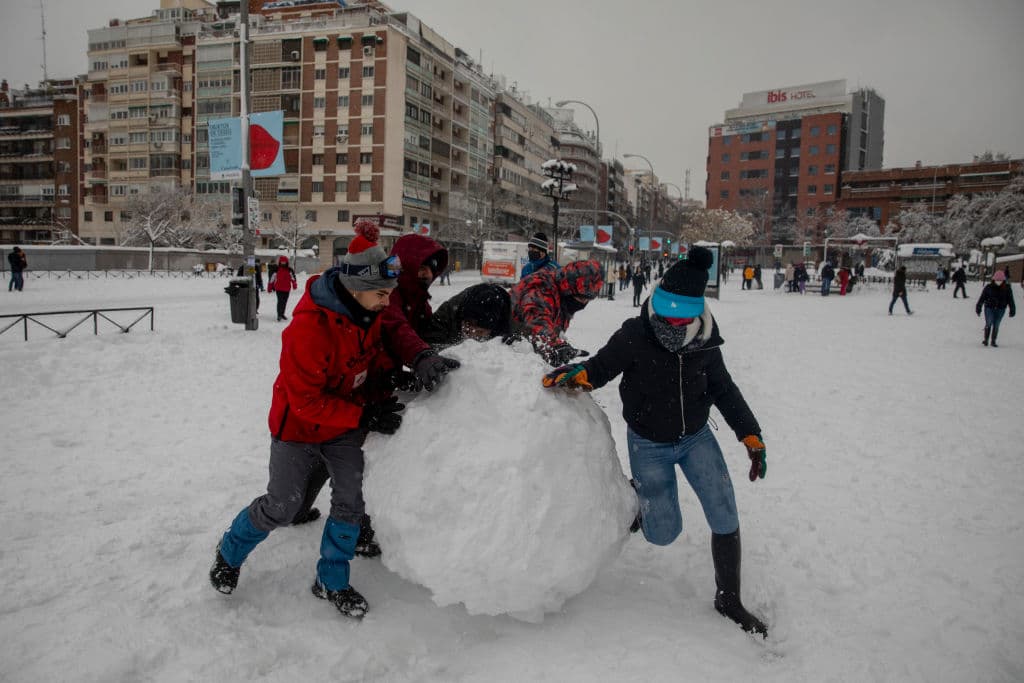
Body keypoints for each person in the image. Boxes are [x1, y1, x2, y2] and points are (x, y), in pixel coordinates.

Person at [541, 247, 768, 638]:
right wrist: (577, 375)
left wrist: (751, 434)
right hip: (648, 444)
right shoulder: (635, 333)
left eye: (680, 314)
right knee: (663, 533)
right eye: (665, 310)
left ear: (696, 312)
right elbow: (601, 367)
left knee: (723, 509)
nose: (669, 321)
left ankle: (728, 598)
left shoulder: (706, 342)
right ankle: (634, 499)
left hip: (696, 438)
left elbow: (725, 390)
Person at [209, 224, 404, 619]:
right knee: (282, 506)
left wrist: (394, 374)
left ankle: (331, 581)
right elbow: (305, 402)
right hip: (297, 428)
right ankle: (229, 552)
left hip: (345, 425)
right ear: (354, 288)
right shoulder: (308, 329)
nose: (388, 303)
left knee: (350, 502)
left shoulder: (370, 313)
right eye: (382, 294)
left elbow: (373, 357)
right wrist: (364, 414)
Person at [383, 229, 461, 392]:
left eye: (432, 269)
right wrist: (420, 355)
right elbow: (395, 326)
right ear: (406, 264)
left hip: (387, 377)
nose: (428, 274)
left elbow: (427, 332)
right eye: (422, 267)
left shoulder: (418, 299)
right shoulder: (386, 290)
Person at [510, 259, 604, 366]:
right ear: (569, 289)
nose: (584, 303)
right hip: (505, 355)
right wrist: (556, 346)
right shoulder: (542, 289)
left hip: (523, 352)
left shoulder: (562, 296)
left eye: (588, 300)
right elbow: (537, 322)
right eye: (582, 298)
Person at [420, 282, 512, 349]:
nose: (472, 337)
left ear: (492, 329)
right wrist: (456, 352)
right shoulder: (446, 315)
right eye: (467, 328)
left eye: (479, 333)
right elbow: (427, 345)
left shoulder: (505, 320)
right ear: (462, 318)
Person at [976, 270, 1016, 347]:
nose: (998, 281)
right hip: (989, 308)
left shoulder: (1007, 289)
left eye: (1000, 280)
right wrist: (978, 307)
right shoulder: (988, 287)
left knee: (996, 324)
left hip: (1001, 309)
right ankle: (986, 340)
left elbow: (1010, 300)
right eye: (997, 280)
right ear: (993, 280)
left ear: (1003, 280)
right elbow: (982, 298)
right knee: (989, 322)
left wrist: (1012, 309)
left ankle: (993, 340)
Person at [268, 255, 298, 321]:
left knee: (284, 302)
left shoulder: (289, 270)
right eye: (282, 262)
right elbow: (272, 279)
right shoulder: (276, 269)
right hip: (279, 288)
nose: (283, 263)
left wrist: (294, 284)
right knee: (280, 301)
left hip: (287, 288)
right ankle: (279, 315)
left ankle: (282, 314)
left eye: (284, 262)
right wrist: (270, 287)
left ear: (287, 262)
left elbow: (293, 278)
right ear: (280, 262)